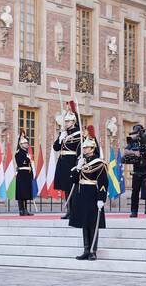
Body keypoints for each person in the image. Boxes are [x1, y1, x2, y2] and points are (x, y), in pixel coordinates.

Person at [69, 126, 108, 261]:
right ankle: (86, 249)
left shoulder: (100, 163)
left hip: (93, 195)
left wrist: (101, 199)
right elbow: (74, 180)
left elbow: (103, 183)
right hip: (81, 196)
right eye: (84, 148)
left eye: (86, 148)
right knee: (84, 224)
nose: (84, 150)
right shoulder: (82, 161)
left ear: (92, 149)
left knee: (93, 224)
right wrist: (78, 168)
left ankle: (93, 251)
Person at [122, 124, 146, 218]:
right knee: (135, 190)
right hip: (137, 168)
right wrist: (134, 152)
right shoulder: (133, 141)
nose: (136, 135)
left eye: (137, 133)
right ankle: (134, 211)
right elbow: (125, 151)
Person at [52, 100, 81, 219]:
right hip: (63, 162)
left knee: (72, 188)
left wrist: (79, 162)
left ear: (73, 122)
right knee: (66, 188)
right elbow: (56, 148)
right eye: (66, 121)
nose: (66, 123)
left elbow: (80, 149)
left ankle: (74, 211)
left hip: (71, 161)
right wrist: (60, 139)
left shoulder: (79, 133)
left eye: (68, 121)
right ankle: (69, 210)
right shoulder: (63, 133)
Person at [15, 131, 34, 216]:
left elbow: (29, 165)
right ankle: (21, 210)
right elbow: (20, 163)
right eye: (25, 143)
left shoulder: (27, 153)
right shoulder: (18, 153)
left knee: (26, 193)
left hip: (27, 174)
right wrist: (27, 160)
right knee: (21, 193)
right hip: (22, 174)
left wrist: (32, 174)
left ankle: (26, 210)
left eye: (27, 143)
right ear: (21, 144)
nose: (27, 144)